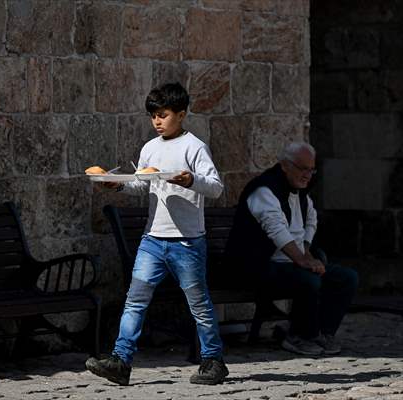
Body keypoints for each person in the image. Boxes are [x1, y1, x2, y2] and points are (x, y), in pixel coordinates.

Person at [84, 82, 228, 386]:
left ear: (182, 113)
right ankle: (120, 361)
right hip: (153, 239)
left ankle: (213, 360)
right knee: (135, 300)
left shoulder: (194, 147)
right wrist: (117, 184)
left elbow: (215, 187)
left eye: (163, 115)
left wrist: (189, 180)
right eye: (153, 116)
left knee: (198, 302)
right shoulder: (150, 147)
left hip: (187, 240)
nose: (157, 122)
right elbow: (142, 184)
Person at [225, 142, 359, 356]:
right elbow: (276, 229)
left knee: (347, 278)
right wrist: (303, 260)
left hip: (290, 262)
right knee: (308, 280)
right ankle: (299, 337)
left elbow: (310, 222)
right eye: (302, 168)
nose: (308, 174)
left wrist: (306, 254)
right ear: (285, 166)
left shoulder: (301, 192)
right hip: (258, 266)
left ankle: (320, 333)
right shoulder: (264, 190)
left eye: (311, 169)